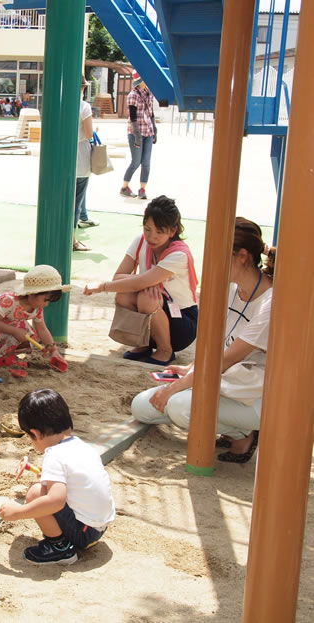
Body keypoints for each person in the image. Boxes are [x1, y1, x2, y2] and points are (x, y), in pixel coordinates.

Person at [131, 218, 274, 463]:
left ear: (241, 256)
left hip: (256, 394)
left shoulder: (271, 302)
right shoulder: (231, 288)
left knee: (179, 407)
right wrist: (189, 369)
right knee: (141, 406)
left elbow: (226, 360)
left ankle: (243, 432)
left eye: (221, 255)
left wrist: (174, 388)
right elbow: (217, 347)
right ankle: (232, 426)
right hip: (226, 382)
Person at [0, 389, 115, 565]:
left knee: (36, 493)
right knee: (44, 487)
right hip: (99, 525)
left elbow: (56, 501)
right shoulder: (81, 445)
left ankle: (60, 549)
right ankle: (63, 544)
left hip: (84, 532)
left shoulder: (54, 454)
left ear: (35, 434)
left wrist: (18, 512)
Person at [84, 196, 198, 366]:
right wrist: (147, 281)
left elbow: (134, 282)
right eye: (148, 229)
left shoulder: (179, 254)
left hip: (182, 321)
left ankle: (166, 350)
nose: (152, 237)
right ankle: (143, 344)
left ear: (172, 231)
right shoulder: (140, 241)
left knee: (146, 297)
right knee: (124, 295)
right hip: (155, 313)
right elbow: (119, 277)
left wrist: (102, 286)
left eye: (160, 232)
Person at [0, 265, 69, 370]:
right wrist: (15, 331)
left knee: (31, 334)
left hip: (7, 330)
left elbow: (42, 329)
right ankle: (0, 357)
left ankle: (6, 355)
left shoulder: (37, 308)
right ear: (32, 293)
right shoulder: (9, 301)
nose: (46, 304)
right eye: (45, 300)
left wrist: (54, 351)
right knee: (22, 328)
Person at [120, 72, 157, 200]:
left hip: (148, 132)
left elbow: (151, 113)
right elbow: (133, 117)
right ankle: (124, 187)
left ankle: (142, 189)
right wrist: (137, 136)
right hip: (136, 133)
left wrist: (155, 131)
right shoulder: (132, 95)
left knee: (146, 162)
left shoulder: (149, 94)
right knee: (136, 162)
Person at [74, 76, 96, 253]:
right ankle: (72, 239)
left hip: (60, 158)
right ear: (81, 89)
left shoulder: (60, 105)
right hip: (80, 158)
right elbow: (89, 133)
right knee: (76, 203)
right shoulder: (83, 107)